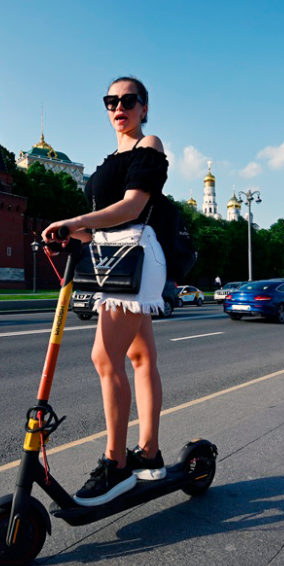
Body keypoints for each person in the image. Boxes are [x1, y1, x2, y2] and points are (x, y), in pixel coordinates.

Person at [41, 76, 169, 506]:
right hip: (109, 256)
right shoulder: (106, 162)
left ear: (144, 107)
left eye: (129, 100)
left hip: (135, 253)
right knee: (140, 357)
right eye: (111, 101)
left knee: (103, 356)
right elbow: (101, 223)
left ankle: (116, 463)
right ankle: (149, 453)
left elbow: (133, 207)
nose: (119, 107)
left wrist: (74, 221)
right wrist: (71, 235)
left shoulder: (149, 145)